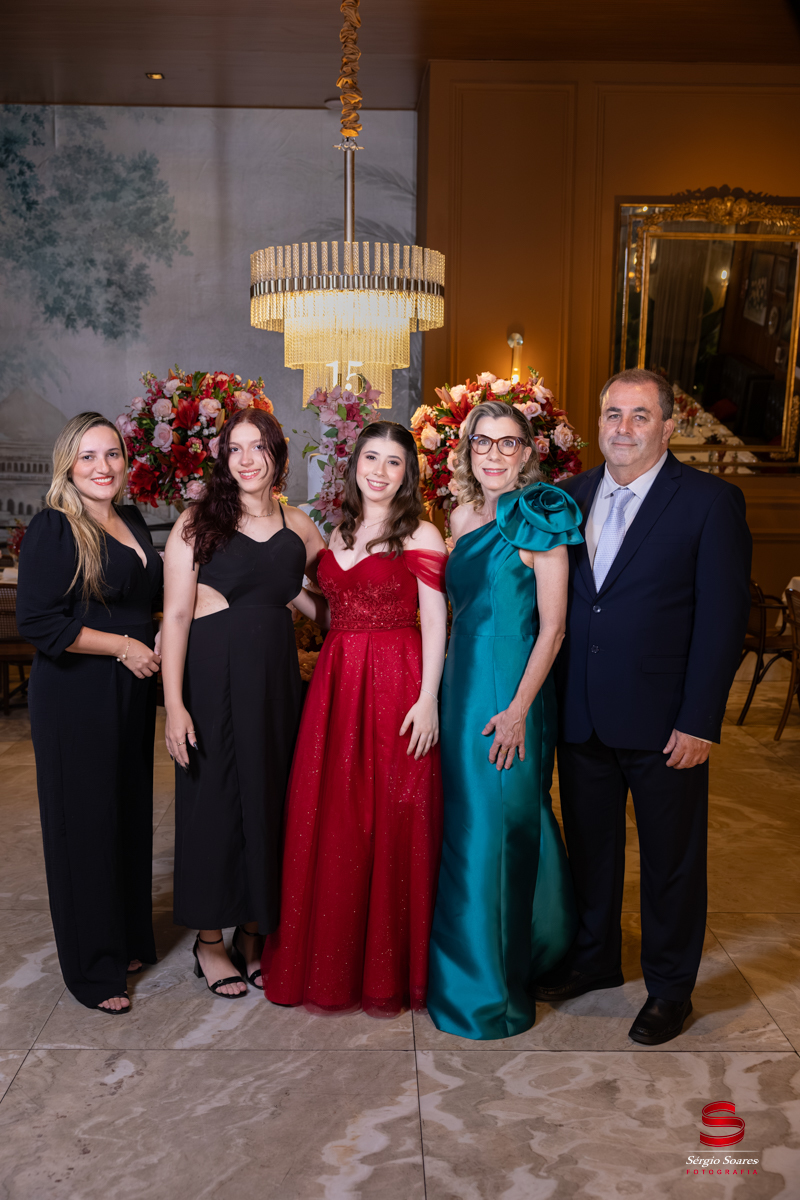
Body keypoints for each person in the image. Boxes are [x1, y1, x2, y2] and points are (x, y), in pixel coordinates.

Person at [536, 368, 752, 1045]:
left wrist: (700, 719)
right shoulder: (569, 497)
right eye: (612, 414)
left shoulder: (710, 502)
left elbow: (723, 622)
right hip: (582, 712)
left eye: (639, 415)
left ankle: (669, 988)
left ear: (668, 427)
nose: (622, 428)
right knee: (591, 852)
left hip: (666, 721)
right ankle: (595, 959)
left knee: (671, 862)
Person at [263, 421, 448, 1018]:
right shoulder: (337, 531)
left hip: (398, 680)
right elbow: (330, 614)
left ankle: (392, 970)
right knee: (337, 813)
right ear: (354, 466)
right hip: (338, 682)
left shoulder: (420, 531)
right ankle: (333, 963)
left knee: (393, 813)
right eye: (371, 458)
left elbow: (435, 619)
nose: (380, 471)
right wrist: (289, 590)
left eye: (394, 462)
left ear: (408, 474)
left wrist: (428, 698)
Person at [426, 401, 583, 1040]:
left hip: (513, 691)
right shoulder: (459, 516)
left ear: (528, 452)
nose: (494, 454)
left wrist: (518, 710)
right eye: (482, 442)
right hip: (461, 685)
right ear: (467, 450)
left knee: (501, 829)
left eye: (508, 442)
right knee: (468, 827)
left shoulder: (541, 513)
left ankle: (493, 994)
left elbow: (555, 628)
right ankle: (469, 970)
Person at [161, 408, 326, 997]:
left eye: (258, 447)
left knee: (269, 800)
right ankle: (209, 942)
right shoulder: (197, 521)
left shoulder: (299, 525)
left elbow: (322, 602)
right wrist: (174, 705)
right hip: (211, 674)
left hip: (276, 681)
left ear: (277, 454)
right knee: (212, 802)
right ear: (224, 458)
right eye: (235, 448)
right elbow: (176, 616)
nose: (247, 458)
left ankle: (254, 935)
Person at [16, 413, 163, 1014]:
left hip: (130, 692)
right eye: (88, 457)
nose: (103, 467)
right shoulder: (54, 526)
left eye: (113, 454)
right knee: (85, 827)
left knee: (126, 815)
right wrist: (125, 647)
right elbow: (39, 621)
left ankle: (124, 939)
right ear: (68, 466)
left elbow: (146, 601)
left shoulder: (131, 519)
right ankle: (94, 969)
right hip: (76, 694)